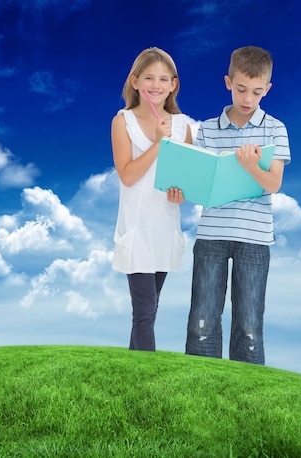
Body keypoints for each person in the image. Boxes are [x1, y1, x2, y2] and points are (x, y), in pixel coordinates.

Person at [185, 45, 291, 365]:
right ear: (228, 82)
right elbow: (197, 185)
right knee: (202, 320)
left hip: (255, 238)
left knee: (248, 325)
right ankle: (201, 387)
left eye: (257, 92)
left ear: (267, 89)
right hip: (212, 234)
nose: (248, 99)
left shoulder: (275, 128)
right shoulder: (205, 129)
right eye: (242, 89)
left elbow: (273, 184)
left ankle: (246, 395)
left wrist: (250, 167)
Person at [112, 47, 196, 351]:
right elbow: (129, 176)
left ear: (173, 84)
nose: (156, 85)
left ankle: (133, 374)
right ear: (135, 81)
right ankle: (146, 380)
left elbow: (185, 182)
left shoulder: (184, 125)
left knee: (150, 310)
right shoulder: (122, 122)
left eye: (163, 79)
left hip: (164, 229)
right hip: (137, 231)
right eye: (149, 77)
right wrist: (159, 143)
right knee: (144, 312)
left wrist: (181, 193)